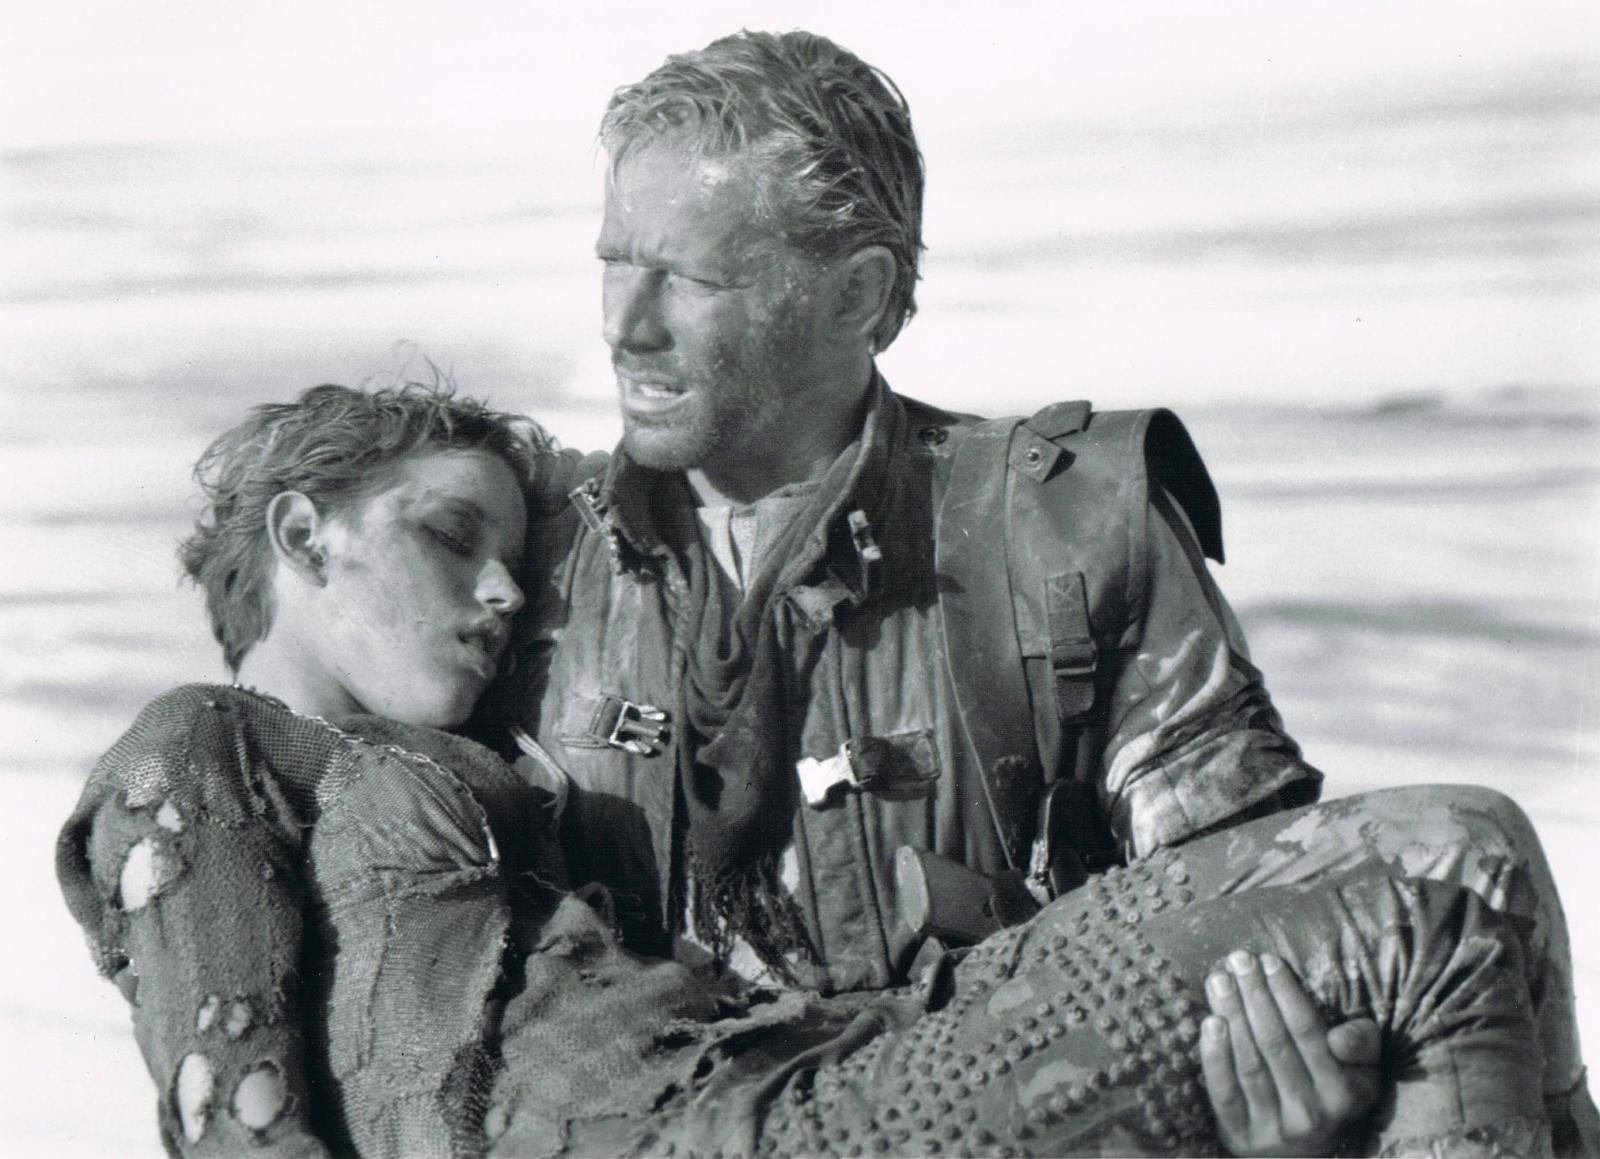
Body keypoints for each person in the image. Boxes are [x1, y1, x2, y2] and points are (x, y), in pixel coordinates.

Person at [487, 28, 1596, 1151]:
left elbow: (1270, 943)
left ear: (857, 294)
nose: (623, 324)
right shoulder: (521, 563)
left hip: (1017, 1121)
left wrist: (1302, 1110)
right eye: (614, 261)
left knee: (1466, 881)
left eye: (689, 278)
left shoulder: (1061, 532)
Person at [57, 383, 1563, 1157]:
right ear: (302, 534)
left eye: (509, 554)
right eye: (452, 535)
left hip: (804, 1072)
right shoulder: (198, 742)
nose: (505, 590)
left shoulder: (431, 758)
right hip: (743, 1133)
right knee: (1432, 890)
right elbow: (231, 1105)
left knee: (1469, 864)